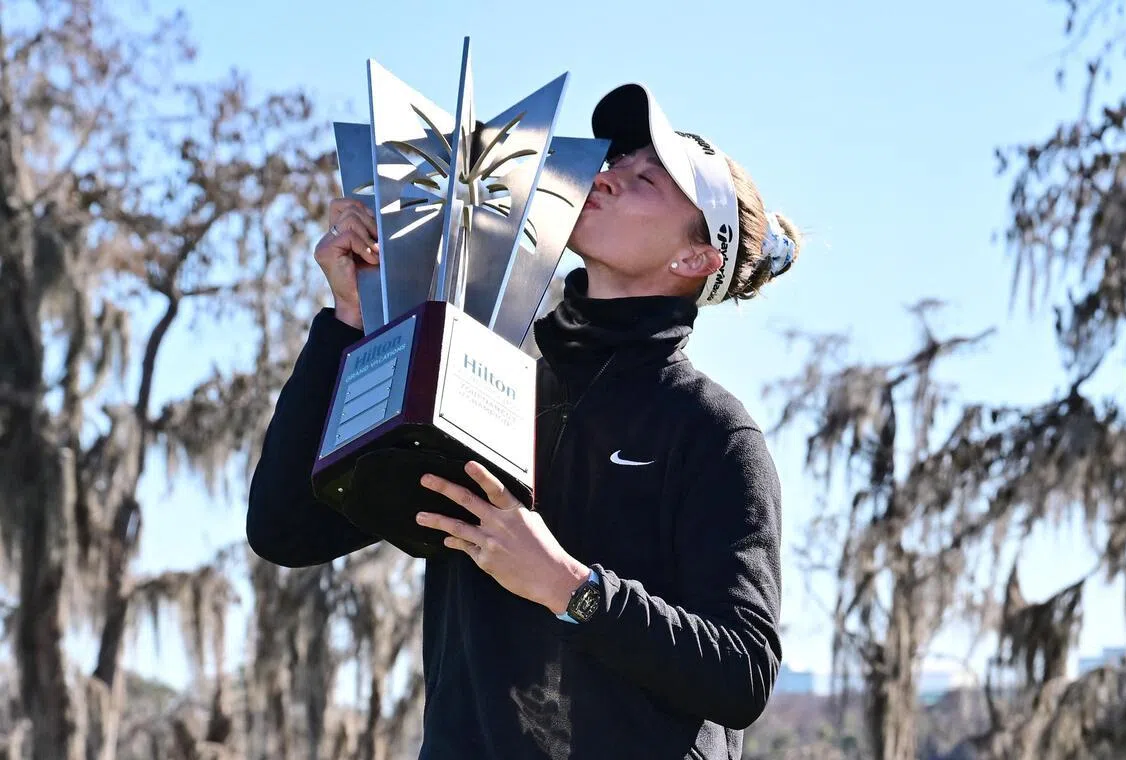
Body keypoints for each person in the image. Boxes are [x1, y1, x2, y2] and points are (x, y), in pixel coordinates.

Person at [247, 82, 801, 760]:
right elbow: (285, 528)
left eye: (646, 180)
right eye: (614, 164)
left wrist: (570, 589)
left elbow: (742, 671)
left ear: (694, 258)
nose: (606, 178)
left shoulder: (712, 432)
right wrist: (348, 322)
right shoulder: (477, 371)